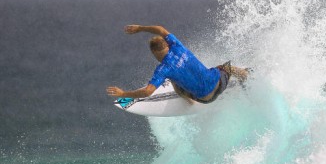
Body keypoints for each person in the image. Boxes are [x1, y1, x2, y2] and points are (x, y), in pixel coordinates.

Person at [106, 25, 248, 104]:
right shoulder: (177, 46)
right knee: (223, 68)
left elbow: (148, 91)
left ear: (154, 53)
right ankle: (246, 75)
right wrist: (140, 28)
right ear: (167, 44)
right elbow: (161, 29)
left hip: (205, 98)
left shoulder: (163, 69)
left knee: (173, 80)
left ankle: (189, 102)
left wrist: (123, 93)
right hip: (218, 82)